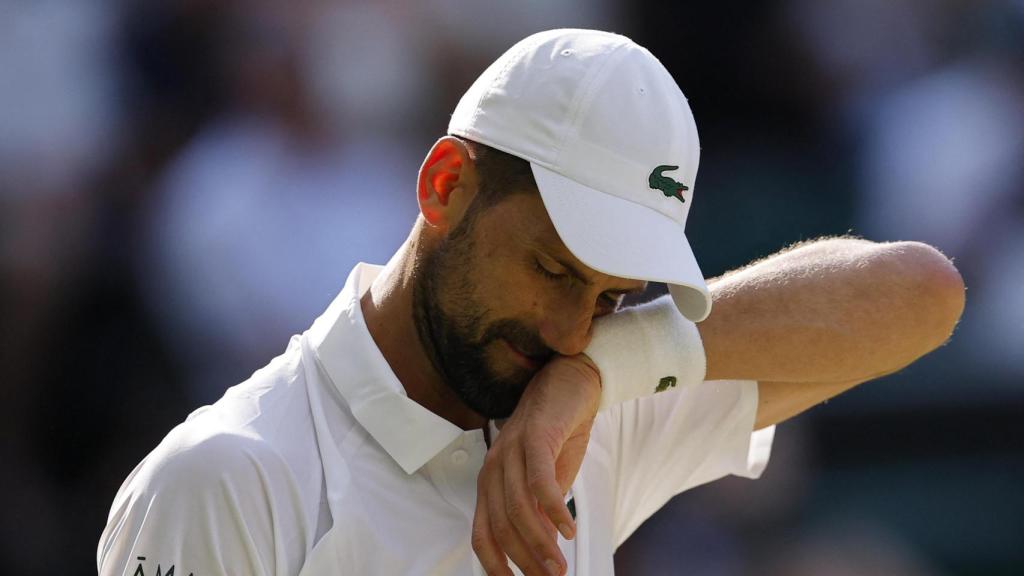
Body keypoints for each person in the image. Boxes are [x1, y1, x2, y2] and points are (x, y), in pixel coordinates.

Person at [97, 29, 964, 576]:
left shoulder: (574, 403)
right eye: (553, 269)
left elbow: (922, 295)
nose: (569, 328)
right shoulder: (222, 481)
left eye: (612, 296)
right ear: (445, 186)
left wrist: (596, 378)